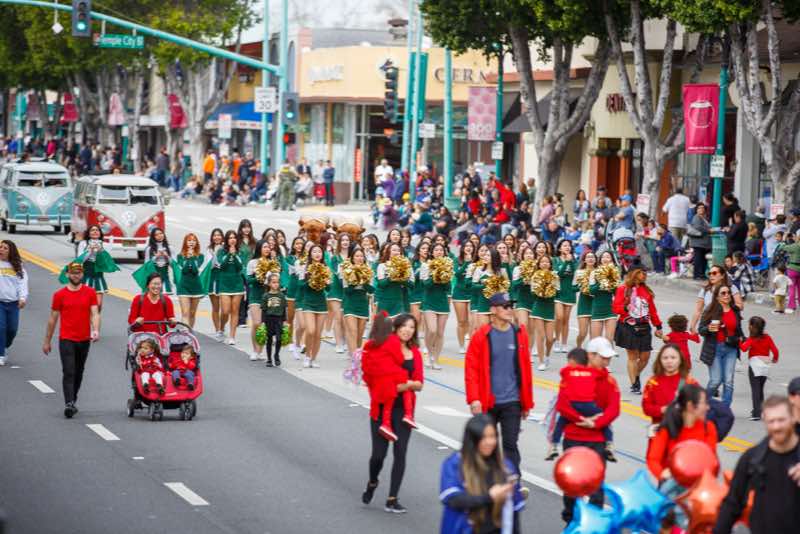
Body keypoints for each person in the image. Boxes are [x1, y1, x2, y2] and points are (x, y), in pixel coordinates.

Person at [360, 313, 424, 514]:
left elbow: (420, 383)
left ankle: (392, 498)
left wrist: (403, 385)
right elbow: (378, 382)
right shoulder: (383, 348)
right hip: (381, 409)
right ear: (395, 327)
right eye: (404, 326)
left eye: (412, 327)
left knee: (400, 452)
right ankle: (372, 482)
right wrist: (406, 385)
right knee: (378, 456)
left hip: (404, 411)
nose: (408, 330)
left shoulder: (415, 353)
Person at [465, 292, 534, 471]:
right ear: (493, 310)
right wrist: (474, 399)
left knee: (511, 444)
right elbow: (471, 369)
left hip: (513, 401)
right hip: (488, 402)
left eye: (511, 306)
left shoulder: (519, 334)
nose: (510, 310)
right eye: (505, 306)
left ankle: (513, 481)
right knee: (487, 446)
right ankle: (487, 480)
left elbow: (526, 370)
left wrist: (526, 402)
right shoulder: (481, 335)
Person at [714, 395, 800, 534]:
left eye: (781, 420)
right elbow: (733, 504)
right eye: (771, 421)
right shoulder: (752, 458)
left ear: (793, 418)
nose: (776, 426)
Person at [558, 337, 620, 524]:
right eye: (603, 357)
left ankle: (593, 525)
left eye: (609, 358)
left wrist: (596, 423)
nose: (607, 361)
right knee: (572, 484)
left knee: (596, 487)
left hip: (597, 440)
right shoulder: (573, 376)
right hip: (573, 437)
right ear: (591, 356)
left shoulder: (610, 381)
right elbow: (563, 405)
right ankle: (570, 521)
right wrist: (581, 420)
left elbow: (614, 409)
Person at [439, 414, 526, 534]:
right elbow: (453, 499)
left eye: (492, 436)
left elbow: (513, 512)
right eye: (483, 437)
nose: (489, 442)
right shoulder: (455, 463)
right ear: (473, 439)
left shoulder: (506, 467)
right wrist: (489, 497)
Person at [42, 262, 100, 418]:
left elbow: (95, 313)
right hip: (66, 339)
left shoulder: (90, 292)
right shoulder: (59, 295)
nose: (76, 275)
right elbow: (53, 319)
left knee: (79, 371)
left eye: (79, 273)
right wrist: (47, 341)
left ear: (82, 274)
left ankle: (73, 399)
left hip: (84, 339)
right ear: (67, 274)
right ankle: (68, 403)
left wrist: (95, 330)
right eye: (73, 273)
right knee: (69, 371)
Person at [546, 348, 615, 461]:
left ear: (572, 361)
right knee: (603, 420)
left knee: (560, 423)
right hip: (589, 405)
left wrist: (579, 418)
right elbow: (603, 374)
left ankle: (554, 445)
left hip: (573, 407)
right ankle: (609, 443)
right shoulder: (593, 373)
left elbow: (562, 374)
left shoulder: (568, 372)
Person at [647, 384, 717, 490]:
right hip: (673, 485)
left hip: (699, 486)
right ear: (690, 406)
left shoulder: (709, 428)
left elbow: (711, 461)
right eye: (704, 403)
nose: (708, 407)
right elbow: (653, 459)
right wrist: (663, 475)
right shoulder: (668, 427)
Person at [612, 268, 663, 394]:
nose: (643, 275)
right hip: (628, 326)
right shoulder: (623, 289)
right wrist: (625, 307)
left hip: (644, 326)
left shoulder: (646, 290)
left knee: (645, 357)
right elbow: (615, 308)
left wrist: (658, 326)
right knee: (633, 356)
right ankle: (635, 384)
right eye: (640, 272)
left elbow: (652, 310)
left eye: (645, 273)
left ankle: (635, 374)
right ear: (633, 274)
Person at [698, 284, 744, 406]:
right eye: (723, 293)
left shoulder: (735, 310)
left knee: (729, 381)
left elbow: (738, 329)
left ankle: (725, 408)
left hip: (731, 348)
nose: (727, 295)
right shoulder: (710, 310)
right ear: (717, 297)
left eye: (728, 293)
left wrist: (743, 338)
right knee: (716, 380)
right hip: (714, 348)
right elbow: (701, 330)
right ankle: (703, 404)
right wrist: (709, 328)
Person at [642, 344, 699, 427]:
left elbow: (699, 406)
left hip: (683, 430)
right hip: (661, 429)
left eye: (673, 357)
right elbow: (646, 407)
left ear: (680, 360)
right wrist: (661, 410)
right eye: (665, 358)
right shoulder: (653, 382)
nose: (669, 361)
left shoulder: (690, 382)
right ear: (660, 360)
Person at [740, 316, 779, 421]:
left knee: (755, 389)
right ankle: (760, 410)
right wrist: (775, 359)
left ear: (752, 327)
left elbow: (744, 349)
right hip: (765, 365)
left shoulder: (752, 339)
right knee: (760, 388)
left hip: (754, 366)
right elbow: (775, 350)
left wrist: (739, 342)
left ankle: (756, 413)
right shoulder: (767, 337)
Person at [689, 265, 745, 332]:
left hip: (728, 324)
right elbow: (698, 310)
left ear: (722, 276)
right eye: (709, 274)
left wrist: (727, 307)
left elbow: (740, 306)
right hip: (710, 324)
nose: (711, 275)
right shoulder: (705, 290)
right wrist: (692, 326)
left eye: (714, 273)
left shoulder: (731, 288)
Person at [0, 240, 28, 367]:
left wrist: (22, 298)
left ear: (11, 251)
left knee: (12, 330)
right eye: (1, 247)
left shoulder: (18, 266)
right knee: (1, 328)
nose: (2, 250)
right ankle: (1, 354)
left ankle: (4, 345)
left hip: (13, 304)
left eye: (5, 248)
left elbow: (22, 284)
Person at [174, 233, 206, 328]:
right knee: (185, 312)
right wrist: (188, 258)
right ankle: (185, 332)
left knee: (192, 313)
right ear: (185, 242)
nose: (191, 242)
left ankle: (190, 332)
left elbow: (195, 271)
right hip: (183, 287)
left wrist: (191, 257)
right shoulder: (180, 256)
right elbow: (184, 271)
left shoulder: (200, 256)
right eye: (189, 240)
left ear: (196, 243)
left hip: (196, 287)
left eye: (193, 240)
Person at [262, 274, 287, 367]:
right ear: (269, 284)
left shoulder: (281, 295)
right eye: (273, 282)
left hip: (279, 319)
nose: (276, 284)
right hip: (269, 319)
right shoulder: (266, 296)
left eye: (277, 282)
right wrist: (263, 322)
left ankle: (276, 355)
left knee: (279, 339)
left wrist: (285, 321)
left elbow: (284, 309)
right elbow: (264, 310)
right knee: (269, 339)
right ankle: (269, 359)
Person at [688, 203, 712, 280]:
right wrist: (709, 230)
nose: (701, 209)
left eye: (703, 208)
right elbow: (698, 227)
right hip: (698, 243)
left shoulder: (704, 218)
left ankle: (702, 274)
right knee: (698, 259)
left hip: (704, 243)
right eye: (699, 208)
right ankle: (697, 275)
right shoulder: (696, 217)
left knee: (703, 259)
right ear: (696, 210)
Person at [779, 233, 800, 313]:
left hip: (793, 268)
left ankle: (791, 306)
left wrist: (784, 239)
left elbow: (782, 247)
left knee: (792, 288)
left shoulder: (795, 246)